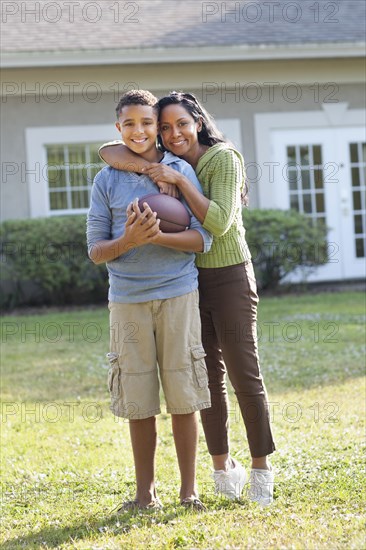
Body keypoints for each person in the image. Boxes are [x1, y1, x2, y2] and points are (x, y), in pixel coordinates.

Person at [99, 91, 276, 507]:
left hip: (229, 276)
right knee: (207, 379)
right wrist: (156, 168)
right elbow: (108, 150)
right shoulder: (167, 160)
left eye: (181, 123)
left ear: (198, 121)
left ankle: (262, 470)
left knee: (243, 375)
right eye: (165, 127)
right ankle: (221, 467)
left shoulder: (220, 159)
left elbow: (218, 221)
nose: (173, 133)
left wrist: (176, 179)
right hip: (191, 280)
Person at [87, 90, 213, 512]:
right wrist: (129, 240)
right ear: (118, 129)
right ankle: (145, 495)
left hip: (178, 292)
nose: (138, 131)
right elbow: (95, 250)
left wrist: (159, 237)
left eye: (146, 123)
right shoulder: (105, 180)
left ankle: (188, 491)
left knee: (184, 395)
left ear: (156, 127)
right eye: (129, 124)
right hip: (127, 300)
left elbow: (202, 239)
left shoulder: (178, 170)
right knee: (139, 400)